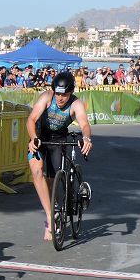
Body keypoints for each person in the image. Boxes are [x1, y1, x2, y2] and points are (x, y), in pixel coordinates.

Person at [26, 71, 93, 241]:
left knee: (52, 178)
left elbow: (84, 123)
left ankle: (57, 203)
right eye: (58, 93)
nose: (60, 98)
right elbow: (31, 119)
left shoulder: (76, 103)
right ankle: (50, 216)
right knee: (36, 171)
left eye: (64, 94)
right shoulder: (47, 97)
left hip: (59, 139)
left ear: (71, 93)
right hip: (39, 136)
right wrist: (34, 138)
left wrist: (86, 137)